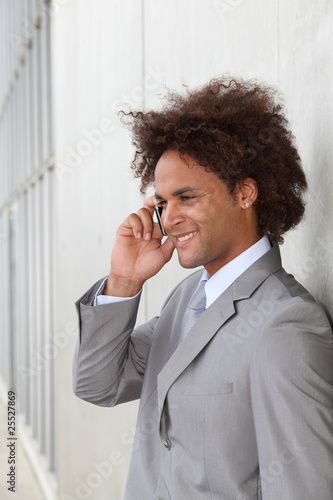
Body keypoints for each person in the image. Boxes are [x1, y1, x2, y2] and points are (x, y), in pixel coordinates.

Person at [73, 77, 333, 500]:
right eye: (161, 203)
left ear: (245, 192)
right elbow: (98, 385)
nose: (168, 218)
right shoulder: (187, 297)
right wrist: (124, 281)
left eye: (187, 198)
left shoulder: (287, 325)